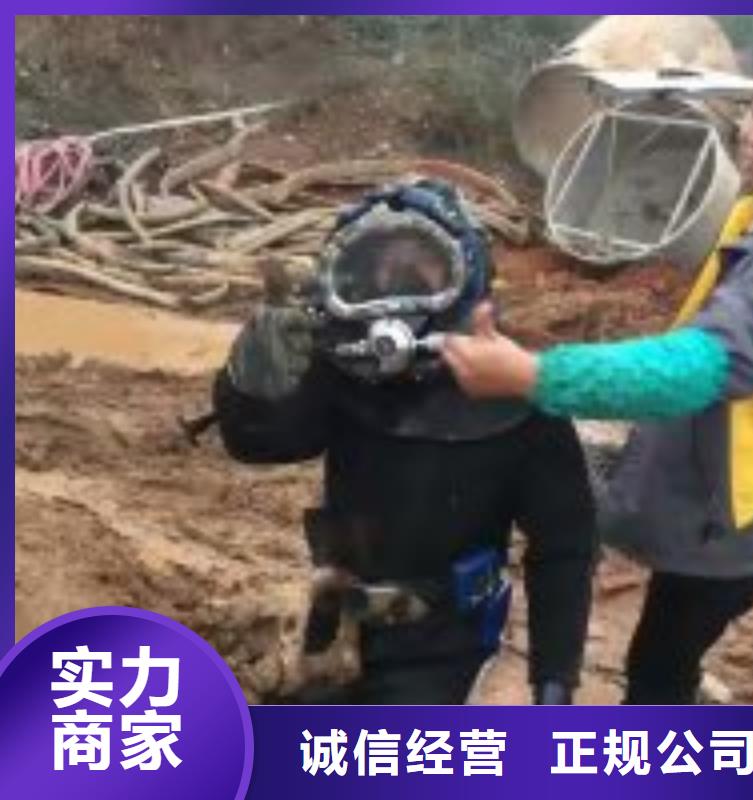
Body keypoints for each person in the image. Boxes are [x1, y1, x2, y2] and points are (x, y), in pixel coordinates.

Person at [442, 31, 753, 705]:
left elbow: (701, 365)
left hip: (739, 512)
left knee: (657, 665)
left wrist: (535, 376)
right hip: (715, 478)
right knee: (670, 636)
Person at [212, 179, 596, 704]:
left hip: (447, 645)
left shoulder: (514, 390)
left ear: (467, 276)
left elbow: (565, 547)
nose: (397, 283)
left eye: (421, 264)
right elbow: (261, 444)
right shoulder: (343, 367)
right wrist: (253, 379)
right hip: (336, 624)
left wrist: (554, 683)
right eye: (381, 265)